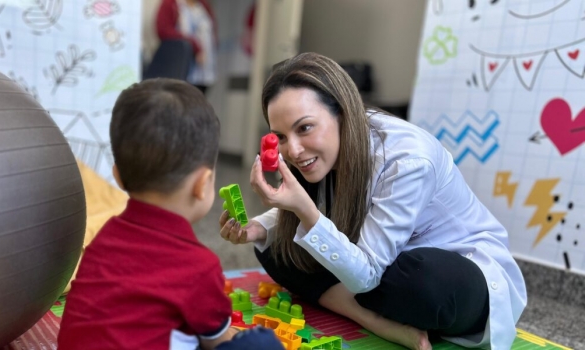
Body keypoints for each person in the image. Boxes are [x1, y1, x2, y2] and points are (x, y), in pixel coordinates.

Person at [219, 53, 527, 350]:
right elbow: (318, 220)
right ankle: (369, 317)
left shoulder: (407, 159)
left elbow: (365, 276)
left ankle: (362, 304)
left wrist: (305, 211)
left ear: (342, 112)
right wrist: (258, 228)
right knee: (279, 246)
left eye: (305, 128)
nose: (294, 150)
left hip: (453, 271)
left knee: (417, 279)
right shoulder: (328, 149)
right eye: (281, 137)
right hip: (373, 266)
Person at [58, 79, 280, 349]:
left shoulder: (99, 242)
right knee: (261, 343)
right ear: (202, 184)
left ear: (118, 176)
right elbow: (217, 343)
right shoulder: (199, 266)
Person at [156, 0, 217, 93]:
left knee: (199, 101)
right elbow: (163, 30)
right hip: (182, 69)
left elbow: (211, 31)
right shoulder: (171, 3)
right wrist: (195, 46)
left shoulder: (203, 5)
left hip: (204, 69)